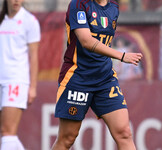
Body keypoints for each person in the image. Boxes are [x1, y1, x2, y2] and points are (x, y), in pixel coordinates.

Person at [52, 0, 142, 150]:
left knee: (124, 133)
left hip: (105, 79)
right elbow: (86, 41)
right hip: (78, 77)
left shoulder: (113, 6)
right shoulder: (78, 5)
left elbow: (103, 43)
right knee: (67, 138)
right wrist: (121, 55)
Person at [0, 0, 41, 149]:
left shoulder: (29, 21)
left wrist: (33, 87)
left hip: (16, 81)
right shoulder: (1, 19)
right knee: (6, 133)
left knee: (7, 132)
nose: (16, 1)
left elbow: (34, 56)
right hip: (1, 81)